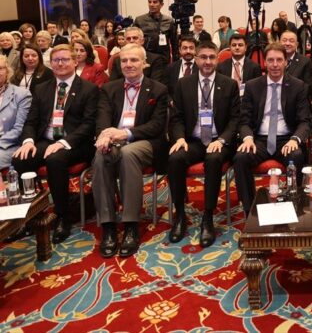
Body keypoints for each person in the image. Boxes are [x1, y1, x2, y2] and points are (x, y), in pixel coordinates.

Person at [12, 44, 99, 243]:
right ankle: (30, 214)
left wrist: (64, 143)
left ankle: (62, 216)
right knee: (21, 159)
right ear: (50, 63)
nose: (60, 63)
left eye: (65, 59)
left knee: (55, 159)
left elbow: (89, 125)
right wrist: (28, 141)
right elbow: (31, 121)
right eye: (56, 60)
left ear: (75, 62)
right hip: (47, 139)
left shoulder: (89, 89)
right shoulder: (41, 88)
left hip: (76, 143)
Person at [92, 44, 169, 258]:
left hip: (145, 141)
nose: (128, 64)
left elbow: (157, 126)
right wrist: (104, 135)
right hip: (113, 140)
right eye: (124, 60)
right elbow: (102, 118)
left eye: (134, 60)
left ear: (144, 63)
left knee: (128, 154)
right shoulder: (109, 88)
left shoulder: (158, 89)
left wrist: (125, 134)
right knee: (100, 156)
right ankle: (108, 225)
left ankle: (130, 225)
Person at [167, 41, 241, 247]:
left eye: (212, 57)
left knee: (214, 159)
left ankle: (208, 217)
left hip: (219, 140)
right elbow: (176, 117)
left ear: (217, 59)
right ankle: (180, 215)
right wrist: (179, 138)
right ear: (196, 59)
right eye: (203, 57)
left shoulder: (229, 84)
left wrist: (223, 140)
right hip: (192, 140)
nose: (208, 61)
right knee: (175, 158)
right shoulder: (184, 84)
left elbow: (235, 119)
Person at [234, 43, 312, 213]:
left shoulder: (298, 86)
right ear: (265, 63)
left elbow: (305, 121)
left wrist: (295, 139)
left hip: (286, 140)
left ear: (286, 62)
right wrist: (247, 137)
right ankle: (250, 210)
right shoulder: (253, 86)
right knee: (240, 158)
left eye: (279, 60)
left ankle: (294, 204)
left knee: (297, 156)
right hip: (259, 140)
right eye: (270, 60)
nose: (275, 64)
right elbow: (244, 119)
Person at [0, 56, 32, 168]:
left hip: (9, 145)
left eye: (0, 68)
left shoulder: (21, 94)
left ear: (7, 71)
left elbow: (19, 128)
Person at [133, 0, 177, 64]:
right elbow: (134, 41)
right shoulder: (139, 20)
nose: (151, 4)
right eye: (149, 2)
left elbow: (174, 43)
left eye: (155, 2)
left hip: (163, 58)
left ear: (161, 4)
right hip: (145, 57)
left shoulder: (169, 21)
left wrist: (175, 63)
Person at [217, 33, 262, 98]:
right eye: (234, 45)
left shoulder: (255, 67)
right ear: (230, 47)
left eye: (240, 45)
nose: (237, 47)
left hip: (246, 100)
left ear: (245, 48)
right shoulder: (221, 67)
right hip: (227, 100)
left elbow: (257, 91)